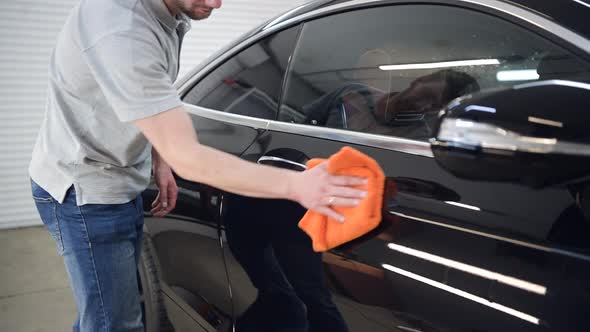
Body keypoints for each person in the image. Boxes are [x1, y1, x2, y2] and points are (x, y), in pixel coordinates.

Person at [28, 0, 367, 331]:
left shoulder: (169, 12)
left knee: (102, 309)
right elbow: (187, 157)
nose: (216, 4)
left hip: (118, 176)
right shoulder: (121, 29)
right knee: (115, 322)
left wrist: (160, 161)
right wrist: (299, 185)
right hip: (84, 191)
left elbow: (159, 98)